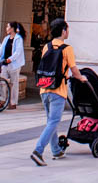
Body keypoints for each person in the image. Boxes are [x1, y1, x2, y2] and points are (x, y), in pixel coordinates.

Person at [30, 18, 82, 166]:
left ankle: (56, 150)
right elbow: (74, 69)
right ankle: (38, 151)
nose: (68, 32)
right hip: (58, 90)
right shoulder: (67, 49)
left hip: (44, 89)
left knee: (50, 122)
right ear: (63, 31)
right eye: (67, 29)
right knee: (53, 121)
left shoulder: (47, 47)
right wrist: (82, 78)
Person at [0, 21, 26, 110]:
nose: (6, 28)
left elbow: (18, 52)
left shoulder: (18, 39)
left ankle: (13, 103)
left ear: (12, 28)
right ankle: (2, 100)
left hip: (14, 64)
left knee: (14, 84)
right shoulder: (6, 38)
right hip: (5, 63)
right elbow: (1, 50)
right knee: (2, 82)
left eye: (8, 27)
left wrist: (10, 59)